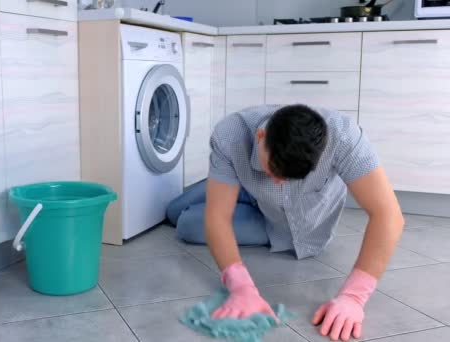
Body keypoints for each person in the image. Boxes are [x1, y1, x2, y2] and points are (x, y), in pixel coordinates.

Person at [167, 104, 404, 342]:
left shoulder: (344, 138)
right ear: (261, 137)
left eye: (289, 178)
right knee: (172, 210)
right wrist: (241, 287)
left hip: (283, 225)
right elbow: (218, 216)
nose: (280, 182)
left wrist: (354, 297)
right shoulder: (230, 134)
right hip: (249, 190)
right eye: (272, 172)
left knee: (187, 224)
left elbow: (389, 215)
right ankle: (229, 189)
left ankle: (229, 194)